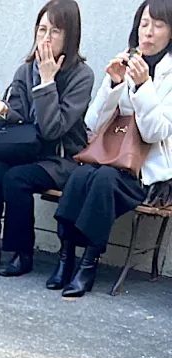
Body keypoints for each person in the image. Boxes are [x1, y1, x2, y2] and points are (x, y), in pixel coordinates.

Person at [50, 1, 172, 297]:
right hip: (110, 158)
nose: (148, 32)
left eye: (158, 25)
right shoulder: (127, 60)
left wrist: (142, 87)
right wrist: (114, 84)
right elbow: (92, 124)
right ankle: (66, 257)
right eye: (144, 24)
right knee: (80, 176)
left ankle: (88, 263)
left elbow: (155, 132)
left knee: (103, 180)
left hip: (147, 174)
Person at [0, 0, 94, 277]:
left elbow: (53, 130)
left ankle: (22, 252)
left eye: (55, 31)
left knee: (17, 179)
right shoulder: (25, 71)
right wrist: (2, 112)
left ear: (70, 36)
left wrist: (47, 82)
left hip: (60, 160)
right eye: (42, 29)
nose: (46, 38)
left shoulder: (81, 76)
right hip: (26, 152)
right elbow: (21, 124)